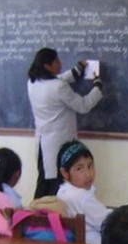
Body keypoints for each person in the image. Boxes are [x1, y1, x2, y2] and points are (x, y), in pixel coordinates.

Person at [27, 47, 103, 199]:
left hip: (44, 144)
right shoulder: (58, 87)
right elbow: (83, 105)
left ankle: (37, 215)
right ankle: (52, 218)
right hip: (59, 145)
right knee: (56, 188)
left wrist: (76, 70)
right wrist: (98, 86)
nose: (60, 63)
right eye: (56, 61)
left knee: (45, 184)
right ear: (47, 66)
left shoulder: (33, 82)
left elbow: (58, 80)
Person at [56, 140, 110, 244]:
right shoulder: (82, 197)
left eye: (90, 166)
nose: (88, 174)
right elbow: (108, 222)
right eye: (79, 168)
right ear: (64, 172)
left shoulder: (62, 192)